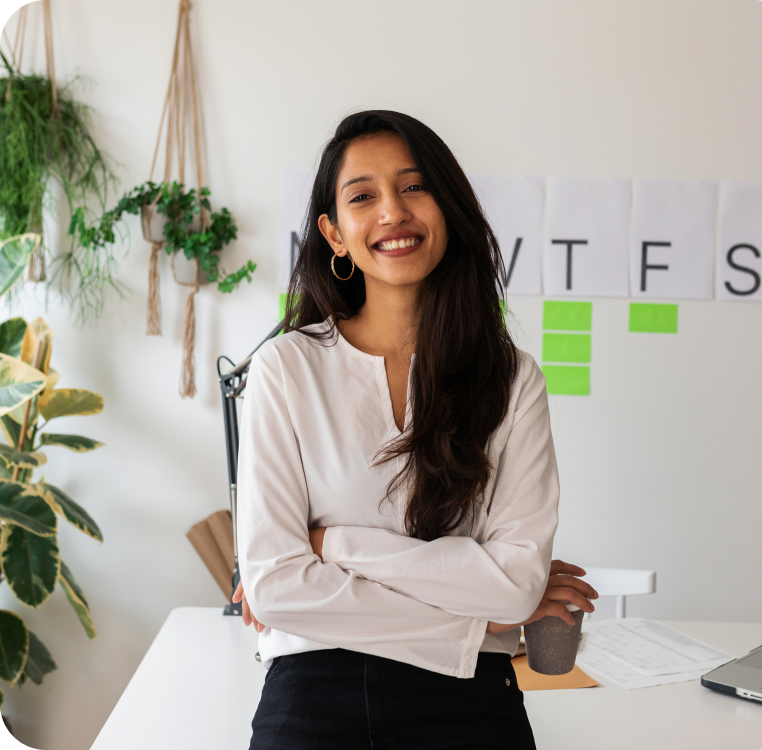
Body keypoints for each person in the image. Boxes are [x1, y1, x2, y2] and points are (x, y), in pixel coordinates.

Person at [233, 110, 598, 750]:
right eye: (363, 196)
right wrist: (476, 614)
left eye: (414, 186)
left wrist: (334, 546)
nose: (393, 212)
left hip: (471, 701)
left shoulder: (512, 380)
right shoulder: (284, 369)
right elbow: (275, 588)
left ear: (448, 209)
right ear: (334, 233)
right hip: (314, 694)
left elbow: (515, 583)